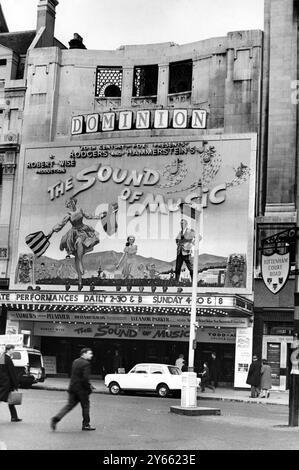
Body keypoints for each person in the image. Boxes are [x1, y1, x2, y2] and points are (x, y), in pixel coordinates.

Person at [47, 197, 101, 290]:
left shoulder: (80, 210)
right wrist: (51, 231)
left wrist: (99, 216)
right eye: (67, 204)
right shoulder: (68, 215)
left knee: (80, 243)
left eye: (70, 203)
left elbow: (89, 216)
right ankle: (80, 282)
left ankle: (80, 264)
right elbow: (60, 225)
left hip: (83, 231)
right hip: (74, 233)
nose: (69, 205)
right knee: (77, 253)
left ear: (73, 202)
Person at [51, 348, 96, 431]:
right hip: (82, 390)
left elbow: (75, 375)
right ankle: (86, 424)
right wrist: (89, 388)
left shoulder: (75, 361)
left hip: (72, 388)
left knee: (69, 406)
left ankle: (56, 418)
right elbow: (85, 378)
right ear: (84, 354)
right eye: (89, 353)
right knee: (85, 406)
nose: (91, 355)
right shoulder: (86, 364)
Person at [0, 344, 22, 422]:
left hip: (3, 382)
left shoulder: (2, 357)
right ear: (9, 349)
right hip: (6, 383)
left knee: (11, 399)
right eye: (13, 349)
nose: (13, 351)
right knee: (4, 398)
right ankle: (14, 417)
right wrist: (16, 384)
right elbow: (12, 373)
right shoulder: (8, 359)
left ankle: (14, 417)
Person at [175, 218, 198, 283]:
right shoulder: (180, 232)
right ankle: (176, 282)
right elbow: (176, 240)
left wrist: (191, 244)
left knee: (191, 268)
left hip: (187, 253)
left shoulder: (190, 231)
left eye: (183, 223)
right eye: (181, 223)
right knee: (177, 268)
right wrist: (178, 243)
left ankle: (194, 282)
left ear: (186, 224)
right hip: (179, 252)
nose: (181, 225)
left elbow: (199, 237)